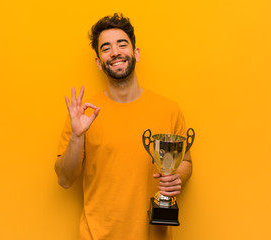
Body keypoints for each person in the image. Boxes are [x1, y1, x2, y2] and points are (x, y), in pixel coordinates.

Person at [55, 13, 192, 240]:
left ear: (135, 53)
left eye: (122, 44)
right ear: (99, 62)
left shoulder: (169, 110)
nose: (115, 52)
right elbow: (64, 179)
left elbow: (186, 162)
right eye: (106, 48)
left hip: (153, 235)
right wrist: (77, 136)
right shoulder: (84, 116)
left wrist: (177, 175)